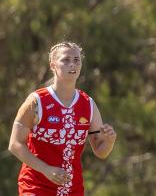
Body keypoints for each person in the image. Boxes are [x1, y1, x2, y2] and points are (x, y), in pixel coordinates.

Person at [8, 41, 117, 196]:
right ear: (53, 65)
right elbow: (15, 144)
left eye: (76, 60)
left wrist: (109, 141)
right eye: (66, 60)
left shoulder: (88, 104)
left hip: (73, 189)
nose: (72, 64)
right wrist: (46, 169)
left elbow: (101, 152)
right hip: (35, 187)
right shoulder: (37, 101)